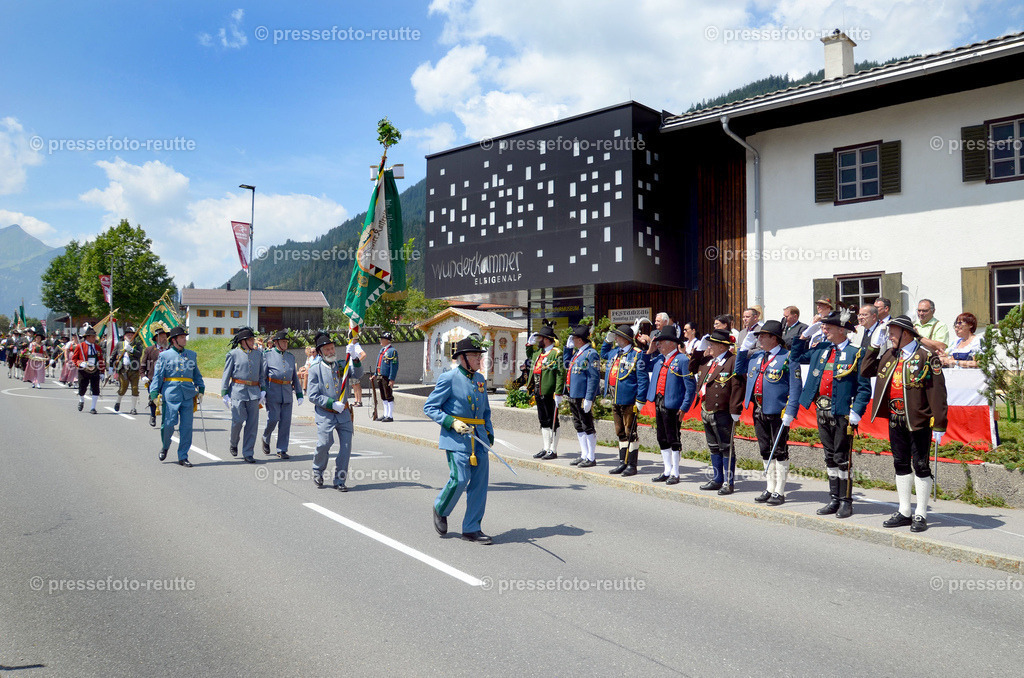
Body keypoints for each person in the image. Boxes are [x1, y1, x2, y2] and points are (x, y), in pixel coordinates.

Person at [861, 315, 948, 532]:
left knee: (920, 466)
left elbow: (937, 393)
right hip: (895, 418)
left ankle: (921, 513)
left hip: (918, 421)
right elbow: (865, 370)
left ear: (905, 334)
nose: (889, 336)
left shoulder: (926, 357)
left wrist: (940, 424)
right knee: (900, 464)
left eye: (892, 333)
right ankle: (904, 511)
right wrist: (873, 345)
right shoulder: (890, 355)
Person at [790, 309, 872, 519]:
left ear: (842, 330)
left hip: (842, 413)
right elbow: (796, 356)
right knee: (829, 456)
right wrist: (803, 336)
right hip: (822, 410)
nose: (824, 329)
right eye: (823, 326)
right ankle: (834, 498)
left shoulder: (856, 353)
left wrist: (857, 412)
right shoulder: (822, 349)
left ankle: (846, 500)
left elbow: (864, 388)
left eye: (828, 327)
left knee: (842, 458)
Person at [424, 334, 495, 544]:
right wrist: (450, 422)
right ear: (462, 358)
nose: (478, 360)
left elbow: (486, 412)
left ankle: (472, 528)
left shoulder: (480, 380)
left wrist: (489, 432)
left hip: (479, 439)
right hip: (457, 439)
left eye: (479, 355)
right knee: (460, 479)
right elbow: (429, 407)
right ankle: (441, 507)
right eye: (474, 355)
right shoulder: (449, 378)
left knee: (480, 485)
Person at [736, 320, 802, 505]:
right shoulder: (757, 357)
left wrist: (791, 411)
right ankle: (769, 487)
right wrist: (743, 349)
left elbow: (796, 387)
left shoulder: (787, 357)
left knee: (779, 450)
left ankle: (779, 491)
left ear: (775, 338)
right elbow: (739, 369)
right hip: (758, 409)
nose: (760, 339)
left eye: (763, 336)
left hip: (778, 411)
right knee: (765, 450)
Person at [691, 328, 745, 493]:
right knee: (713, 446)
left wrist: (735, 408)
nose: (710, 347)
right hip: (706, 408)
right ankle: (717, 478)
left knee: (726, 446)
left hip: (722, 410)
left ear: (722, 346)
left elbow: (738, 385)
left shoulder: (732, 360)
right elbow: (692, 367)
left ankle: (728, 482)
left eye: (712, 344)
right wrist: (699, 350)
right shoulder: (708, 360)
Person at [645, 328, 695, 484]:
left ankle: (676, 472)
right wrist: (649, 351)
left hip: (673, 404)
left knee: (673, 438)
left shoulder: (682, 360)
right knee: (662, 437)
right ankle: (667, 469)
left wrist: (685, 407)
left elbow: (690, 387)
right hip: (660, 403)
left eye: (661, 342)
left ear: (671, 343)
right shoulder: (659, 359)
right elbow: (643, 366)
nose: (658, 345)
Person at [306, 332, 354, 490]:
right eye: (327, 349)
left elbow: (358, 374)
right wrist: (331, 403)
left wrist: (354, 358)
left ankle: (340, 481)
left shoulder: (342, 365)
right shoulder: (315, 369)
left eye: (332, 348)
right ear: (320, 352)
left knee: (346, 448)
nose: (331, 351)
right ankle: (318, 470)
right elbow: (312, 395)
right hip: (326, 413)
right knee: (325, 443)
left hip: (344, 413)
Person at [150, 326, 205, 466]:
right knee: (168, 424)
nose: (184, 339)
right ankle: (165, 446)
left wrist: (201, 388)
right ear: (174, 340)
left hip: (188, 394)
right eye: (181, 337)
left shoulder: (191, 355)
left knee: (186, 427)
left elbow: (196, 374)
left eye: (185, 337)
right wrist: (154, 392)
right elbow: (158, 375)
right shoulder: (164, 355)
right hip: (171, 394)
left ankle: (183, 456)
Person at [601, 324, 651, 476]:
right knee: (620, 431)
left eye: (617, 336)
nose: (615, 338)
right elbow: (604, 353)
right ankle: (622, 462)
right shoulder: (615, 352)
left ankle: (632, 464)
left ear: (625, 338)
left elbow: (643, 380)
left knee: (631, 432)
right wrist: (606, 341)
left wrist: (640, 401)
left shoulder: (637, 354)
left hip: (630, 399)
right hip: (616, 398)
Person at [221, 326, 264, 463]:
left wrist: (263, 390)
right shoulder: (233, 354)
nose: (253, 342)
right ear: (243, 341)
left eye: (253, 339)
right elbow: (226, 374)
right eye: (250, 339)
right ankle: (233, 442)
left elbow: (262, 374)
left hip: (254, 393)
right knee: (238, 421)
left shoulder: (258, 354)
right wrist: (224, 392)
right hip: (237, 391)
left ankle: (248, 452)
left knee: (252, 424)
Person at [261, 329, 304, 458]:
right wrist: (262, 390)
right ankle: (266, 436)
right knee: (273, 419)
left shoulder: (291, 357)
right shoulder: (267, 355)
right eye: (283, 342)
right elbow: (263, 375)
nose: (285, 344)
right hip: (272, 390)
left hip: (287, 392)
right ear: (276, 342)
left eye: (286, 342)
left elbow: (294, 377)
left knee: (285, 422)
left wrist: (299, 393)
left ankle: (282, 449)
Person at [563, 323, 601, 467]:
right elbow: (566, 365)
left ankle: (591, 457)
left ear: (580, 339)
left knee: (587, 425)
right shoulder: (577, 353)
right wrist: (567, 349)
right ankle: (584, 454)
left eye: (574, 338)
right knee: (578, 425)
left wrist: (589, 398)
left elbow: (593, 377)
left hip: (583, 395)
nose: (572, 340)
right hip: (573, 393)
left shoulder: (591, 354)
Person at [526, 324, 565, 460]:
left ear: (547, 339)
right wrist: (529, 345)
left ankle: (553, 450)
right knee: (543, 420)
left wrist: (559, 393)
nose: (538, 340)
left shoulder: (556, 353)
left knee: (552, 420)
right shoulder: (539, 353)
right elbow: (530, 355)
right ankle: (545, 447)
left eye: (540, 338)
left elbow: (560, 374)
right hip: (538, 390)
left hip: (550, 392)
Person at [141, 323, 170, 427]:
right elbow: (143, 365)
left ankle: (166, 420)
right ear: (156, 338)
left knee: (167, 399)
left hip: (168, 379)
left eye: (165, 336)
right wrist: (143, 376)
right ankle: (153, 415)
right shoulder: (149, 350)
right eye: (162, 336)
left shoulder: (170, 349)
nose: (164, 338)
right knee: (153, 398)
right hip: (153, 379)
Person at [72, 327, 105, 413]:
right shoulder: (80, 346)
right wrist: (80, 363)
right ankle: (81, 400)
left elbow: (101, 359)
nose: (95, 338)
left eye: (95, 336)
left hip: (95, 370)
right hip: (84, 370)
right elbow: (74, 359)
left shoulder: (97, 347)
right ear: (87, 337)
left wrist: (102, 372)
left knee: (95, 388)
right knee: (82, 388)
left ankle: (93, 408)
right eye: (93, 337)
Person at [113, 325, 144, 414]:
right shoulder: (119, 344)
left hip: (134, 369)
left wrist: (131, 350)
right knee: (123, 388)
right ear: (124, 336)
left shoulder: (137, 344)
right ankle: (118, 401)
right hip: (123, 370)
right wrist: (111, 367)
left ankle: (133, 408)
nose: (130, 336)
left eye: (131, 335)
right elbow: (113, 355)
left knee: (135, 388)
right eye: (128, 335)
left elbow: (139, 354)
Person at [373, 332, 399, 422]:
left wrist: (392, 378)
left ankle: (390, 415)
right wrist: (375, 374)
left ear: (387, 340)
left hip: (386, 377)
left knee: (388, 396)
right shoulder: (382, 350)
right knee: (383, 396)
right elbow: (378, 363)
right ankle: (385, 414)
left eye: (382, 339)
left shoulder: (392, 351)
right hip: (380, 375)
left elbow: (394, 366)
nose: (380, 340)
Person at [345, 328, 367, 406]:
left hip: (355, 367)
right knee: (354, 385)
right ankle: (356, 400)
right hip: (351, 366)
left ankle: (359, 400)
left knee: (356, 384)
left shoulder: (356, 346)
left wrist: (358, 362)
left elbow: (363, 354)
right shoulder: (352, 346)